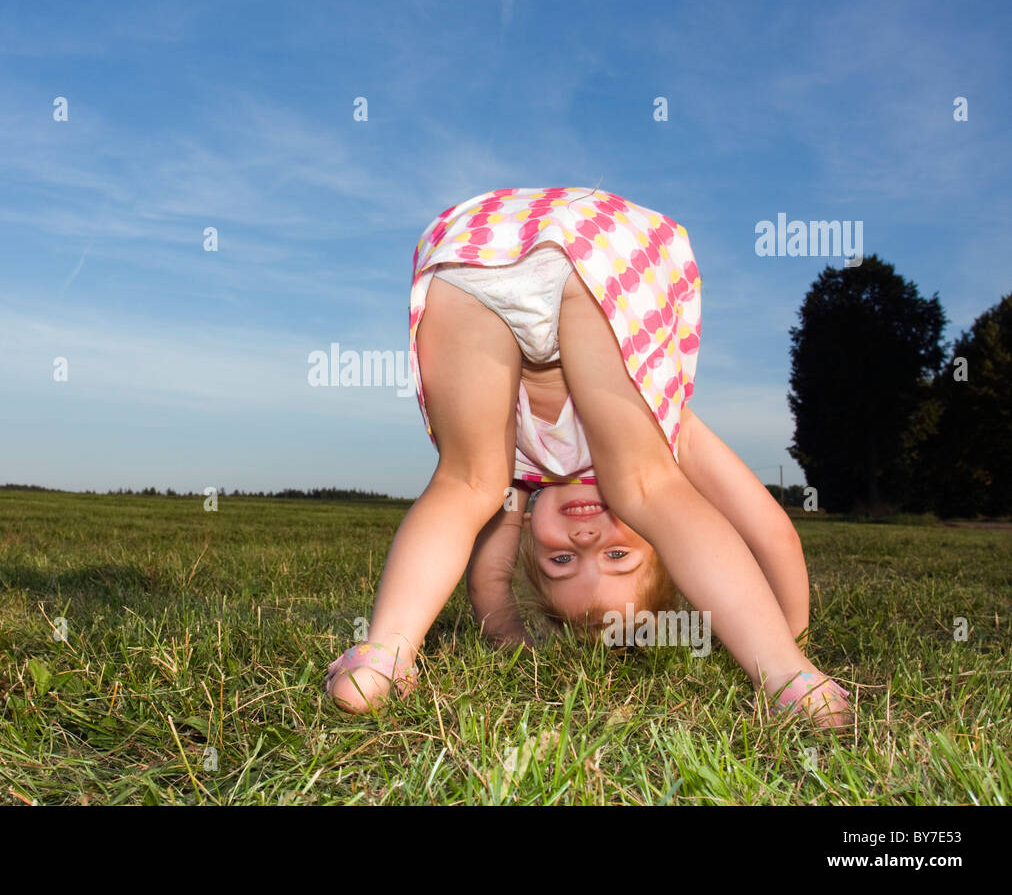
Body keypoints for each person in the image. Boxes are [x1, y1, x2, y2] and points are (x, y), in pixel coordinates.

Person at [324, 186, 851, 727]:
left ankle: (383, 654)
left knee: (466, 485)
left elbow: (487, 580)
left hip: (473, 252)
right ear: (662, 541)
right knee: (646, 486)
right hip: (598, 246)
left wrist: (513, 647)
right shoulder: (671, 435)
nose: (585, 542)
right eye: (619, 558)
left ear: (529, 535)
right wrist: (790, 639)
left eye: (561, 561)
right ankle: (787, 677)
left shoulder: (513, 480)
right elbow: (773, 532)